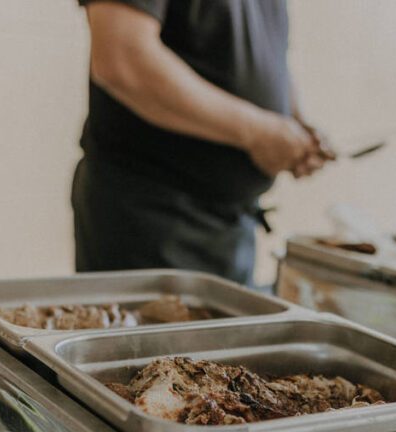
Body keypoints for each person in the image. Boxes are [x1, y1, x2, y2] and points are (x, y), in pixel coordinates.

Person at [72, 0, 333, 285]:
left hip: (233, 224)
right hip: (152, 219)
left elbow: (260, 50)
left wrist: (293, 123)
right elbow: (121, 58)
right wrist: (259, 132)